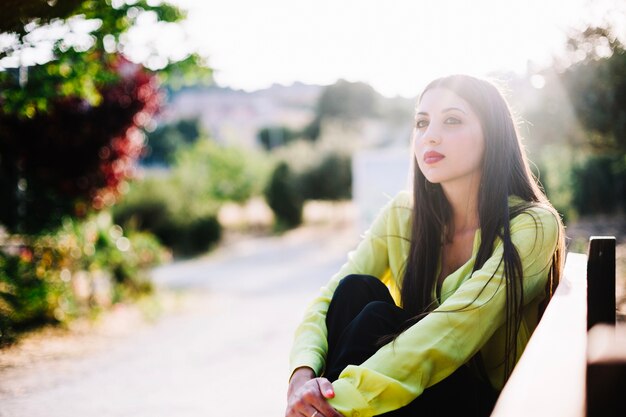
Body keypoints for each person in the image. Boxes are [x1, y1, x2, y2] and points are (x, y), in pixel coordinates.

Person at [285, 74, 565, 417]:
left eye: (452, 120)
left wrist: (339, 397)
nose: (430, 135)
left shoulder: (531, 225)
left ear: (493, 135)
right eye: (421, 122)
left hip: (484, 403)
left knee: (377, 319)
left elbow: (453, 330)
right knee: (355, 289)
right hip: (411, 393)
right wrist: (302, 376)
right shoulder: (403, 215)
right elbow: (327, 301)